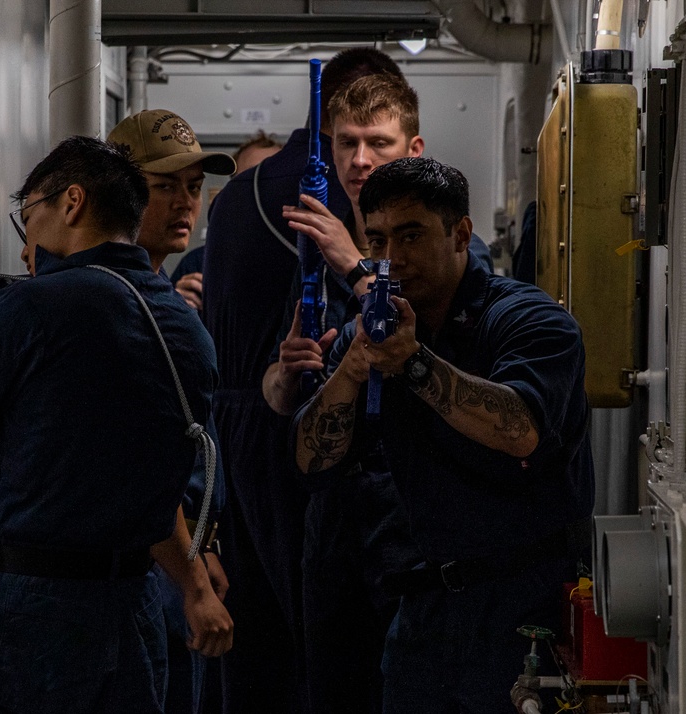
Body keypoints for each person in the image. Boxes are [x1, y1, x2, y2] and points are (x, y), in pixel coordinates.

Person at [0, 136, 232, 714]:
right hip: (133, 609)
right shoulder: (184, 327)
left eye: (28, 217)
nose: (25, 248)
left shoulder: (37, 308)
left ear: (70, 202)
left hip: (28, 615)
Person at [293, 157, 594, 713]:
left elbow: (520, 427)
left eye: (410, 236)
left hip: (525, 606)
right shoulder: (374, 332)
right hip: (422, 614)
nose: (391, 259)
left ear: (460, 234)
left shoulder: (527, 320)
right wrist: (351, 369)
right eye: (377, 239)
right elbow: (312, 462)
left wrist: (411, 362)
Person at [201, 47, 405, 713]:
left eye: (378, 141)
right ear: (333, 126)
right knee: (326, 648)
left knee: (262, 647)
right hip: (302, 441)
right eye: (350, 138)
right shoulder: (314, 204)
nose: (361, 159)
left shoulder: (240, 197)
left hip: (250, 436)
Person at [108, 109, 237, 714]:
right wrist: (189, 575)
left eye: (193, 187)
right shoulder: (114, 305)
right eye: (165, 187)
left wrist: (204, 543)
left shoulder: (168, 301)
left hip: (177, 556)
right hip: (137, 572)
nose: (186, 204)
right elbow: (137, 469)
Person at [169, 130, 283, 311]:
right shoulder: (199, 264)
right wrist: (176, 307)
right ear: (233, 193)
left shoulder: (302, 261)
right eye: (251, 180)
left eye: (273, 179)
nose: (261, 191)